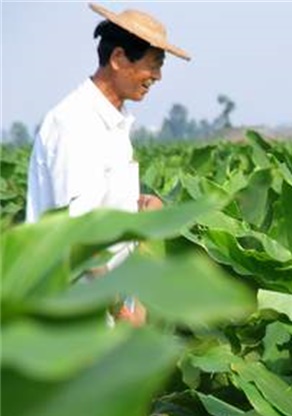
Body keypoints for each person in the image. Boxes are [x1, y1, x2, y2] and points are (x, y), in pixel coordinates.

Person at [25, 3, 191, 325]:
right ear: (117, 59)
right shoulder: (75, 123)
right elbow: (78, 234)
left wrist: (142, 207)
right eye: (153, 65)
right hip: (73, 318)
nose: (157, 76)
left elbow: (103, 208)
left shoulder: (112, 122)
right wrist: (121, 310)